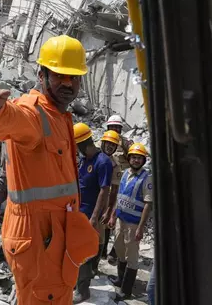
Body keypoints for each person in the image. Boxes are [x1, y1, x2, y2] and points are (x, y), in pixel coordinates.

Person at [0, 35, 99, 305]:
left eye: (74, 77)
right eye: (59, 75)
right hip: (40, 239)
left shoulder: (59, 116)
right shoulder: (35, 112)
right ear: (42, 74)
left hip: (52, 235)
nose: (68, 83)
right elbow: (14, 121)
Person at [73, 123, 113, 303]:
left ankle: (83, 290)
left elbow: (104, 191)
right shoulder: (84, 160)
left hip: (89, 215)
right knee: (74, 250)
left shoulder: (103, 162)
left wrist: (94, 218)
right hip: (77, 212)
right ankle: (75, 282)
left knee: (85, 253)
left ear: (83, 144)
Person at [107, 143, 152, 300]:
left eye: (139, 158)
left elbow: (148, 204)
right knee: (120, 251)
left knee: (131, 256)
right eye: (133, 157)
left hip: (133, 224)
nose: (136, 160)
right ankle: (120, 280)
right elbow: (119, 196)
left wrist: (141, 228)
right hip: (120, 220)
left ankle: (126, 291)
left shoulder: (147, 179)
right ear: (129, 158)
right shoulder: (125, 173)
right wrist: (113, 215)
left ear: (143, 160)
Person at [103, 115, 132, 263]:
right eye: (112, 126)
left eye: (117, 127)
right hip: (107, 184)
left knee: (117, 218)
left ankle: (114, 252)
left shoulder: (126, 143)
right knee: (106, 215)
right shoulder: (104, 140)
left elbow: (134, 161)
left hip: (123, 186)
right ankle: (102, 249)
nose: (115, 129)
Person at [98, 130, 125, 263]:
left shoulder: (115, 165)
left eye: (112, 145)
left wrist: (110, 210)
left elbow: (114, 189)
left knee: (103, 228)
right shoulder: (94, 156)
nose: (109, 146)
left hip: (105, 198)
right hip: (90, 196)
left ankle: (100, 255)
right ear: (102, 143)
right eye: (107, 143)